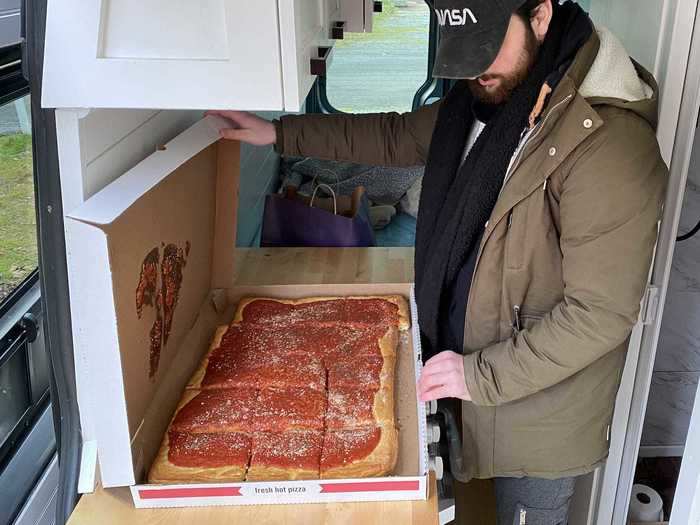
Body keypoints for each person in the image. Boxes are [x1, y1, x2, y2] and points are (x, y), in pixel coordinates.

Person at [209, 0, 668, 523]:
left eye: (488, 47)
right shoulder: (489, 95)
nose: (475, 71)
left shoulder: (607, 144)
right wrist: (280, 134)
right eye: (463, 53)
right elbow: (396, 134)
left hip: (541, 418)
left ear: (540, 15)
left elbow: (600, 314)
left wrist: (480, 377)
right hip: (469, 368)